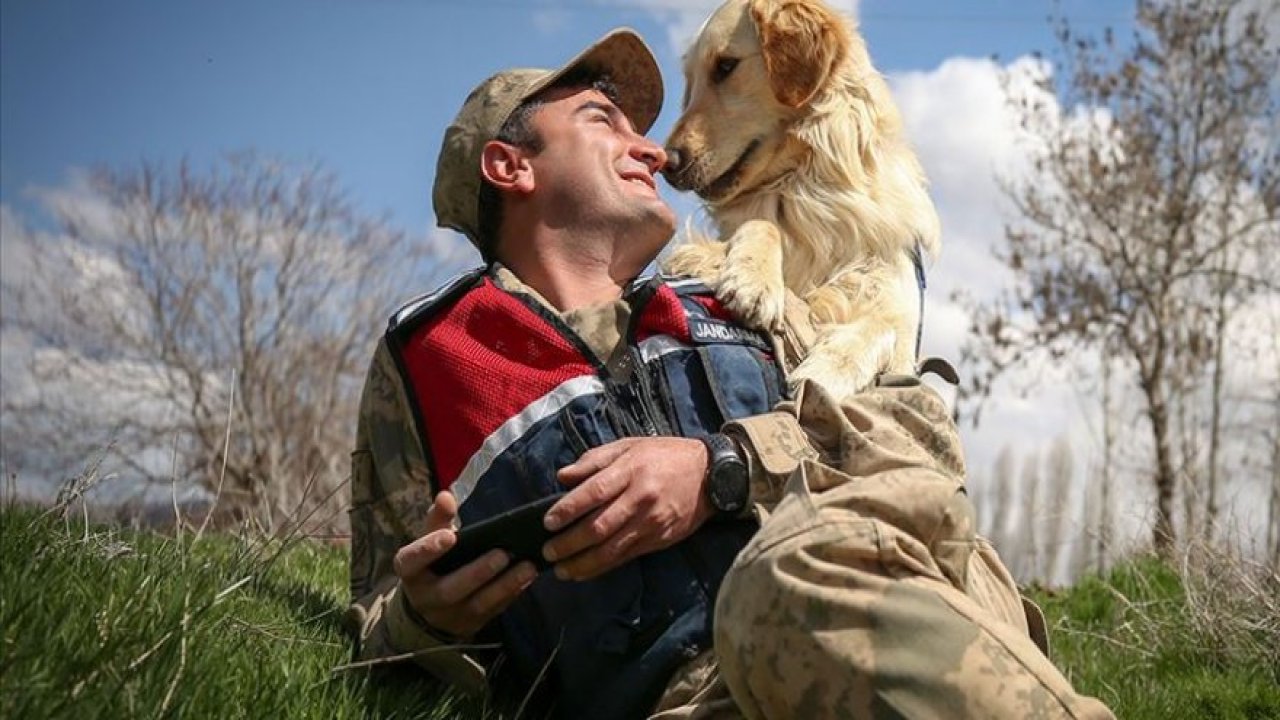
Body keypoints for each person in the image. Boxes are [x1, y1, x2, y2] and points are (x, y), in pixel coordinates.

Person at [345, 28, 1115, 720]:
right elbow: (376, 623)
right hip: (684, 703)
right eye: (601, 121)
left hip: (886, 601)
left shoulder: (743, 288)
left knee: (780, 585)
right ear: (510, 165)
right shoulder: (427, 360)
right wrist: (427, 620)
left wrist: (723, 467)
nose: (657, 150)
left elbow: (919, 439)